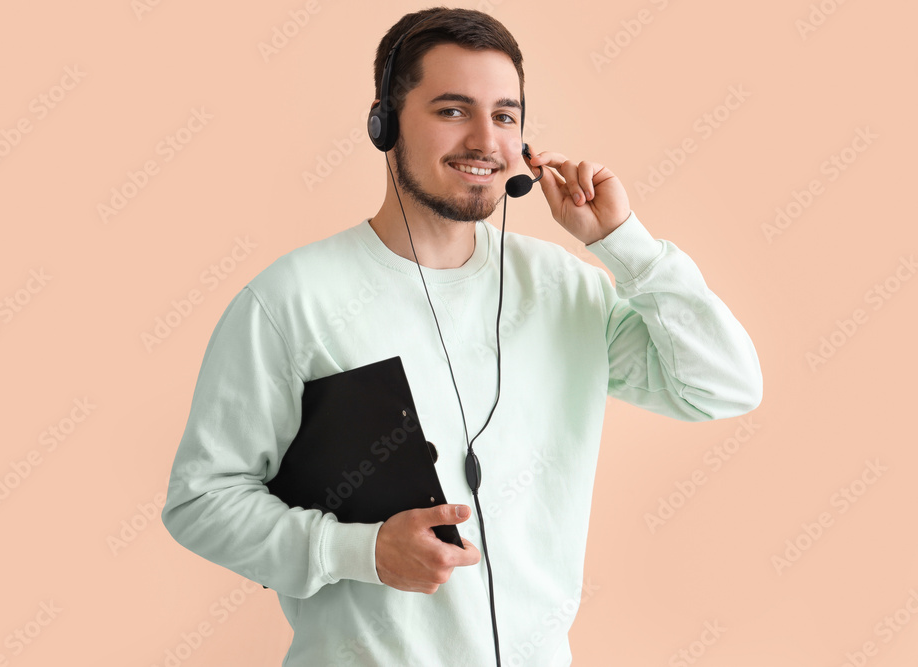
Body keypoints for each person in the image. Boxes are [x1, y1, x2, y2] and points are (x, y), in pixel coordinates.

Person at [161, 7, 763, 666]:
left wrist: (626, 246)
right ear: (383, 122)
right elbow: (201, 500)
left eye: (505, 116)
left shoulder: (567, 290)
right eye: (452, 110)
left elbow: (725, 385)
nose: (485, 139)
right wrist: (358, 551)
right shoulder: (290, 300)